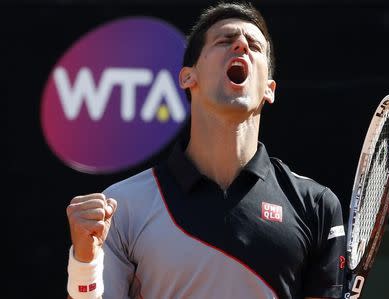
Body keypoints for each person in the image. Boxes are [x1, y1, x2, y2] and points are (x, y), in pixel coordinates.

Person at [65, 1, 346, 298]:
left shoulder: (316, 206)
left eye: (254, 45)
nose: (241, 45)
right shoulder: (122, 206)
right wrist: (84, 264)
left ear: (269, 89)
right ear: (188, 77)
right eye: (225, 41)